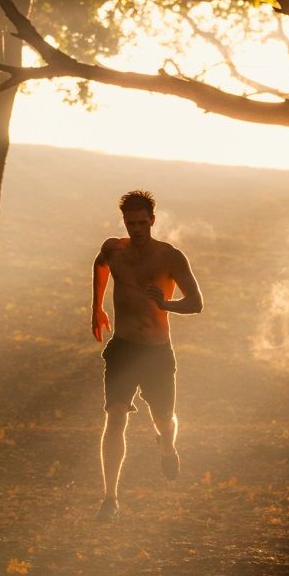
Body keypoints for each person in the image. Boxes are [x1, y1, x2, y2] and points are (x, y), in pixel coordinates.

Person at [90, 190, 204, 522]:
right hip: (124, 348)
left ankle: (167, 447)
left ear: (152, 221)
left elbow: (196, 303)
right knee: (115, 416)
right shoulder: (113, 250)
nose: (136, 229)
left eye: (142, 223)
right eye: (130, 223)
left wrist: (166, 304)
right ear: (124, 222)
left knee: (164, 419)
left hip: (156, 351)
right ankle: (110, 499)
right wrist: (96, 308)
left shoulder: (171, 257)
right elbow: (100, 266)